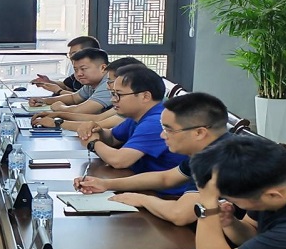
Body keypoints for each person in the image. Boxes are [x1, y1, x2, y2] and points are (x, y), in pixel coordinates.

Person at [74, 92, 231, 225]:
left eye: (169, 130)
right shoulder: (213, 148)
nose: (162, 135)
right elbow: (166, 178)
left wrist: (142, 200)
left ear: (199, 133)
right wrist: (105, 184)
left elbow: (179, 214)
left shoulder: (217, 158)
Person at [191, 135, 286, 249]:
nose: (229, 202)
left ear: (273, 195)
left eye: (233, 200)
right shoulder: (273, 183)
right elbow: (254, 234)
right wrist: (231, 223)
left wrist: (207, 205)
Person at [78, 65, 189, 194]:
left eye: (119, 95)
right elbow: (113, 138)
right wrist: (97, 131)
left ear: (145, 96)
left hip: (168, 195)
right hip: (146, 184)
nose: (113, 100)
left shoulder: (156, 122)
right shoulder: (138, 115)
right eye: (113, 94)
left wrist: (93, 143)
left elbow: (119, 161)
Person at [31, 57, 144, 132]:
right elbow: (98, 118)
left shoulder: (135, 107)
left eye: (110, 81)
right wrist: (59, 115)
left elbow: (100, 124)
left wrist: (57, 122)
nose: (108, 86)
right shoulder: (124, 101)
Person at [27, 48, 112, 114]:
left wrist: (60, 107)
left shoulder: (109, 84)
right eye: (76, 70)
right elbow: (74, 98)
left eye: (83, 69)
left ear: (103, 68)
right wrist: (43, 101)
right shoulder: (92, 83)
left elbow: (80, 111)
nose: (79, 74)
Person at [30, 36, 101, 94]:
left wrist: (58, 91)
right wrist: (49, 82)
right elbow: (67, 87)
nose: (72, 58)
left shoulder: (101, 78)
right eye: (70, 55)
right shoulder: (78, 74)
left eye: (74, 54)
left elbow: (83, 100)